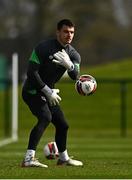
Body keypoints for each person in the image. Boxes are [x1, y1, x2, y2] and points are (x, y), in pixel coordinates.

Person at [21, 19, 83, 168]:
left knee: (63, 125)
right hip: (32, 91)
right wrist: (46, 90)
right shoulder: (43, 48)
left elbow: (76, 76)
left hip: (49, 93)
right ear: (58, 32)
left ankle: (63, 159)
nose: (69, 35)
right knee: (45, 117)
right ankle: (28, 159)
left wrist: (69, 65)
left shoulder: (74, 54)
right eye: (66, 32)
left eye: (72, 32)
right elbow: (31, 72)